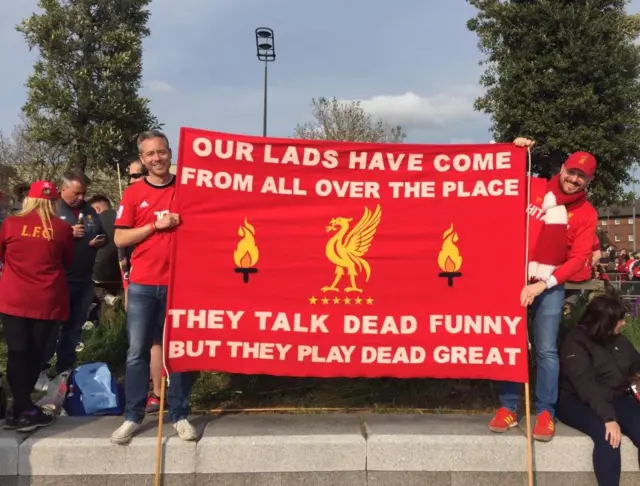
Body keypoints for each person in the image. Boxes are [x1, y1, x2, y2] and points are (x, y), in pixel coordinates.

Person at [489, 137, 598, 441]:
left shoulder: (586, 213)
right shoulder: (533, 187)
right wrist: (514, 149)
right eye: (572, 172)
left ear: (588, 181)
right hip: (514, 277)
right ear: (562, 168)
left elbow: (578, 259)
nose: (574, 180)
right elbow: (498, 175)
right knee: (512, 342)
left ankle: (545, 411)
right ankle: (509, 406)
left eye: (582, 177)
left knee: (546, 349)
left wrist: (542, 285)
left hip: (549, 285)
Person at [111, 130, 196, 444]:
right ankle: (132, 417)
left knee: (181, 351)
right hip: (144, 283)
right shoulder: (134, 193)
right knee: (136, 353)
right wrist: (153, 226)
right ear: (142, 160)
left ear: (170, 153)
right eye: (150, 154)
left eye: (161, 152)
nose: (157, 158)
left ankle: (180, 413)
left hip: (180, 283)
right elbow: (120, 238)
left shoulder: (187, 189)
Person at [0, 181, 74, 432]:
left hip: (13, 299)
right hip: (46, 300)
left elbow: (3, 255)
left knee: (17, 353)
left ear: (29, 200)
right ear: (54, 202)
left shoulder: (10, 224)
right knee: (35, 355)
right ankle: (25, 408)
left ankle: (17, 409)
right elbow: (67, 261)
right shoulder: (62, 229)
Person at [557, 294, 640, 486]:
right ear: (604, 323)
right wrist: (608, 419)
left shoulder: (617, 339)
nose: (623, 323)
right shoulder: (575, 343)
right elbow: (586, 386)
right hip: (577, 401)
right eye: (619, 320)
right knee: (608, 437)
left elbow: (635, 362)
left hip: (616, 395)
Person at [41, 170, 107, 377]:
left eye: (83, 193)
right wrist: (67, 234)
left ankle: (65, 368)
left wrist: (100, 240)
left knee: (74, 326)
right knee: (51, 327)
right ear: (64, 189)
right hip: (59, 278)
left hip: (84, 278)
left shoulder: (89, 210)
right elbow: (41, 240)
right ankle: (40, 367)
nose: (80, 198)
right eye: (76, 193)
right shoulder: (51, 208)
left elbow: (100, 231)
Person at [119, 160, 163, 413]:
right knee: (137, 347)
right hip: (138, 281)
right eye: (133, 174)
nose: (136, 178)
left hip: (164, 281)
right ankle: (133, 409)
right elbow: (121, 249)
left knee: (158, 341)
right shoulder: (131, 198)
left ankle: (158, 394)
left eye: (140, 174)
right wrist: (126, 287)